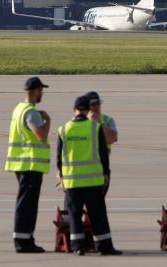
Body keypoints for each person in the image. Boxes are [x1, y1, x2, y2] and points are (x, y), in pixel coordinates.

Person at [56, 95, 122, 255]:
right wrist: (105, 172)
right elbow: (103, 153)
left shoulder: (63, 129)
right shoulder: (95, 127)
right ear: (87, 110)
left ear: (74, 110)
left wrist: (61, 174)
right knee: (97, 214)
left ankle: (77, 247)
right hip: (93, 180)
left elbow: (59, 156)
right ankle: (104, 246)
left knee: (74, 214)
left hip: (72, 181)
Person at [5, 76, 51, 253]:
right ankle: (23, 241)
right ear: (34, 91)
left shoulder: (19, 109)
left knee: (26, 203)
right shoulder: (31, 112)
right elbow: (41, 136)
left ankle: (26, 237)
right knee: (27, 205)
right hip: (30, 164)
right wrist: (47, 120)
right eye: (41, 90)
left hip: (21, 163)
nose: (42, 94)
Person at [84, 91, 117, 194]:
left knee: (98, 202)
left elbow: (111, 139)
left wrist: (100, 123)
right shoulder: (80, 120)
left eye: (98, 103)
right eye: (93, 104)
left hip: (101, 167)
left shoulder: (107, 120)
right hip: (83, 168)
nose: (96, 107)